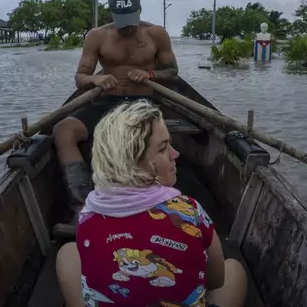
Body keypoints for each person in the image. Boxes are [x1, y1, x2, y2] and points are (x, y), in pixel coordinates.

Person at [55, 100, 248, 307]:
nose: (176, 154)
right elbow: (216, 281)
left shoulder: (88, 213)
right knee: (234, 270)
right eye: (164, 148)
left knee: (67, 253)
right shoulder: (189, 211)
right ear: (136, 160)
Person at [52, 0, 179, 217]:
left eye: (131, 19)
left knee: (138, 140)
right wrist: (95, 80)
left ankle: (154, 201)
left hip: (143, 105)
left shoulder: (156, 34)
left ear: (139, 10)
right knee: (63, 130)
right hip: (106, 104)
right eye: (122, 20)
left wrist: (149, 75)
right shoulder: (97, 36)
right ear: (111, 14)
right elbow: (80, 78)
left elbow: (172, 72)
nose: (128, 26)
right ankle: (81, 206)